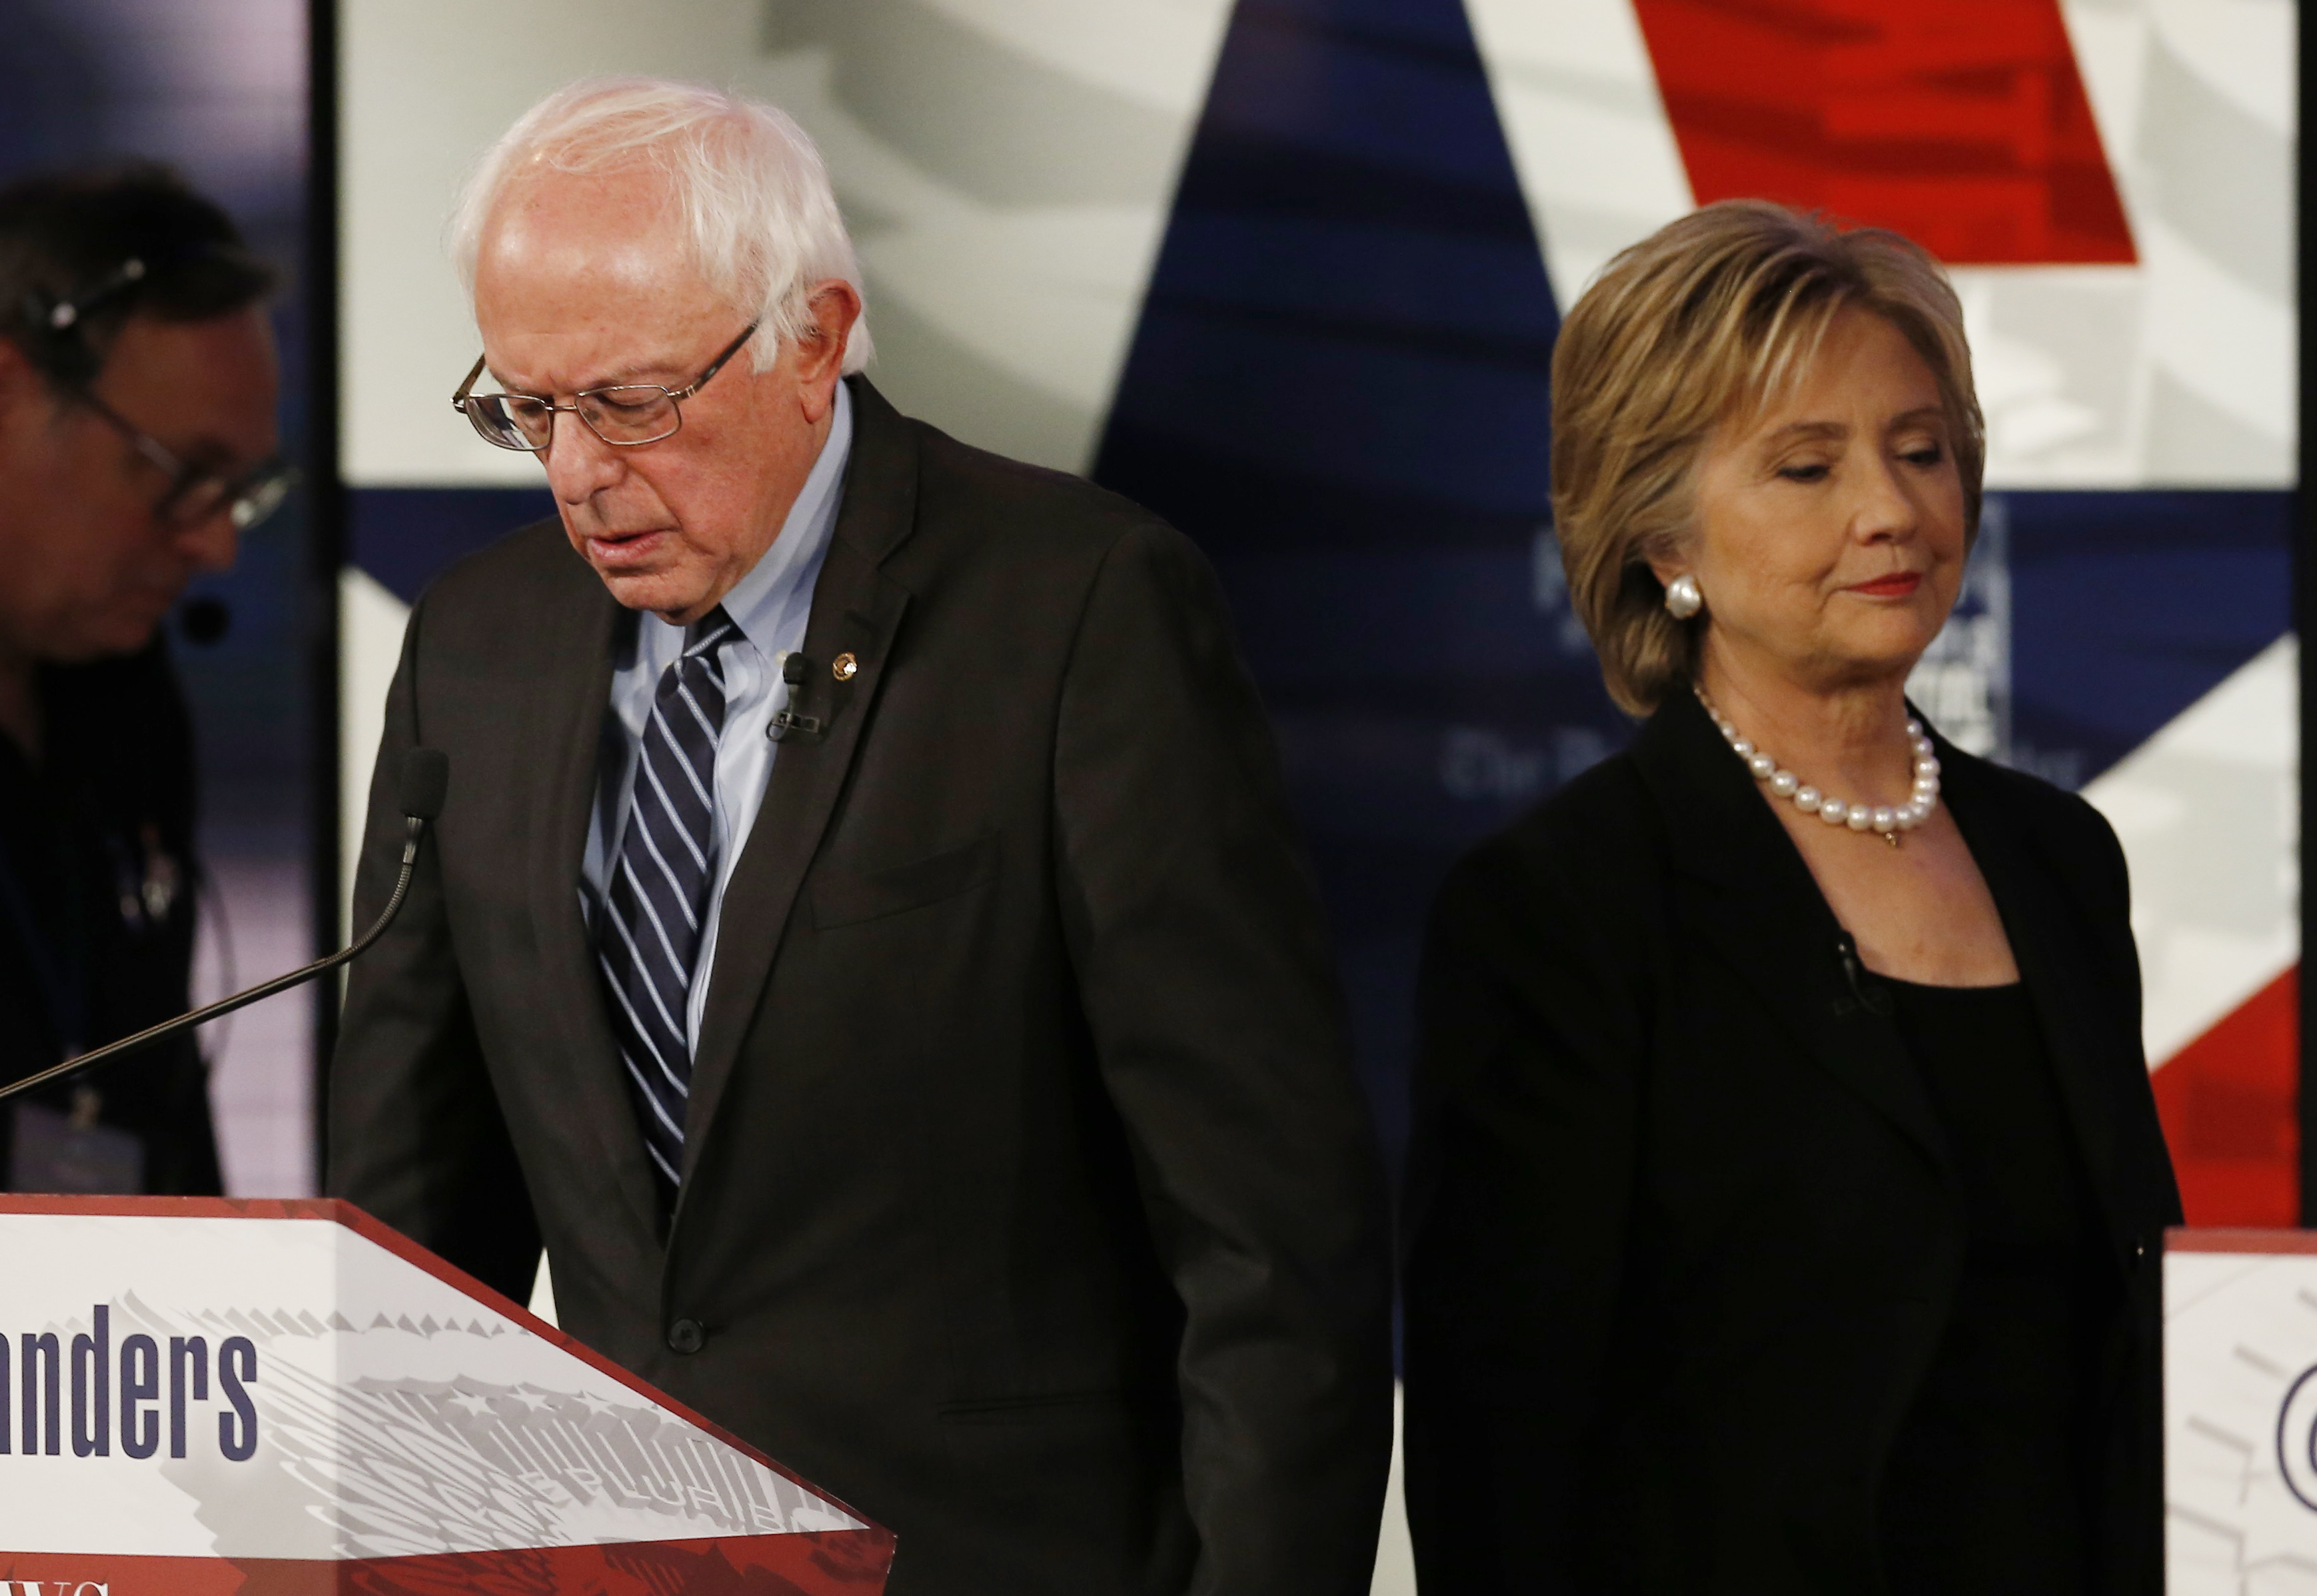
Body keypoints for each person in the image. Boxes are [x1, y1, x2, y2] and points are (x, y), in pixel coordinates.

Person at [326, 78, 1391, 1596]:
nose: (575, 474)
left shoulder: (1076, 613)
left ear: (811, 338)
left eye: (629, 402)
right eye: (525, 407)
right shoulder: (475, 647)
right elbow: (417, 1230)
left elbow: (1270, 1237)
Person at [1402, 201, 2182, 1595]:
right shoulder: (1561, 905)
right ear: (1663, 543)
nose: (1890, 508)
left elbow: (2129, 1330)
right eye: (1806, 468)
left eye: (1921, 449)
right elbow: (1500, 1441)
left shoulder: (2060, 856)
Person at [0, 164, 289, 1196]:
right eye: (181, 477)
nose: (216, 547)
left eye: (241, 492)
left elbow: (161, 1112)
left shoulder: (128, 703)